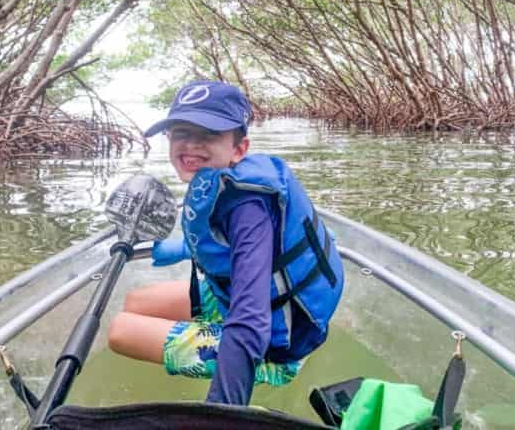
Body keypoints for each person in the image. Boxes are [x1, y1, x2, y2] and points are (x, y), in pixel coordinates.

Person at [108, 80, 344, 406]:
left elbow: (249, 323)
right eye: (180, 133)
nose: (190, 145)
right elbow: (237, 244)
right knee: (135, 301)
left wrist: (220, 416)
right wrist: (182, 247)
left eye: (208, 134)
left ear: (239, 149)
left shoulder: (248, 207)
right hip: (248, 295)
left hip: (276, 346)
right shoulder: (225, 182)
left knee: (119, 330)